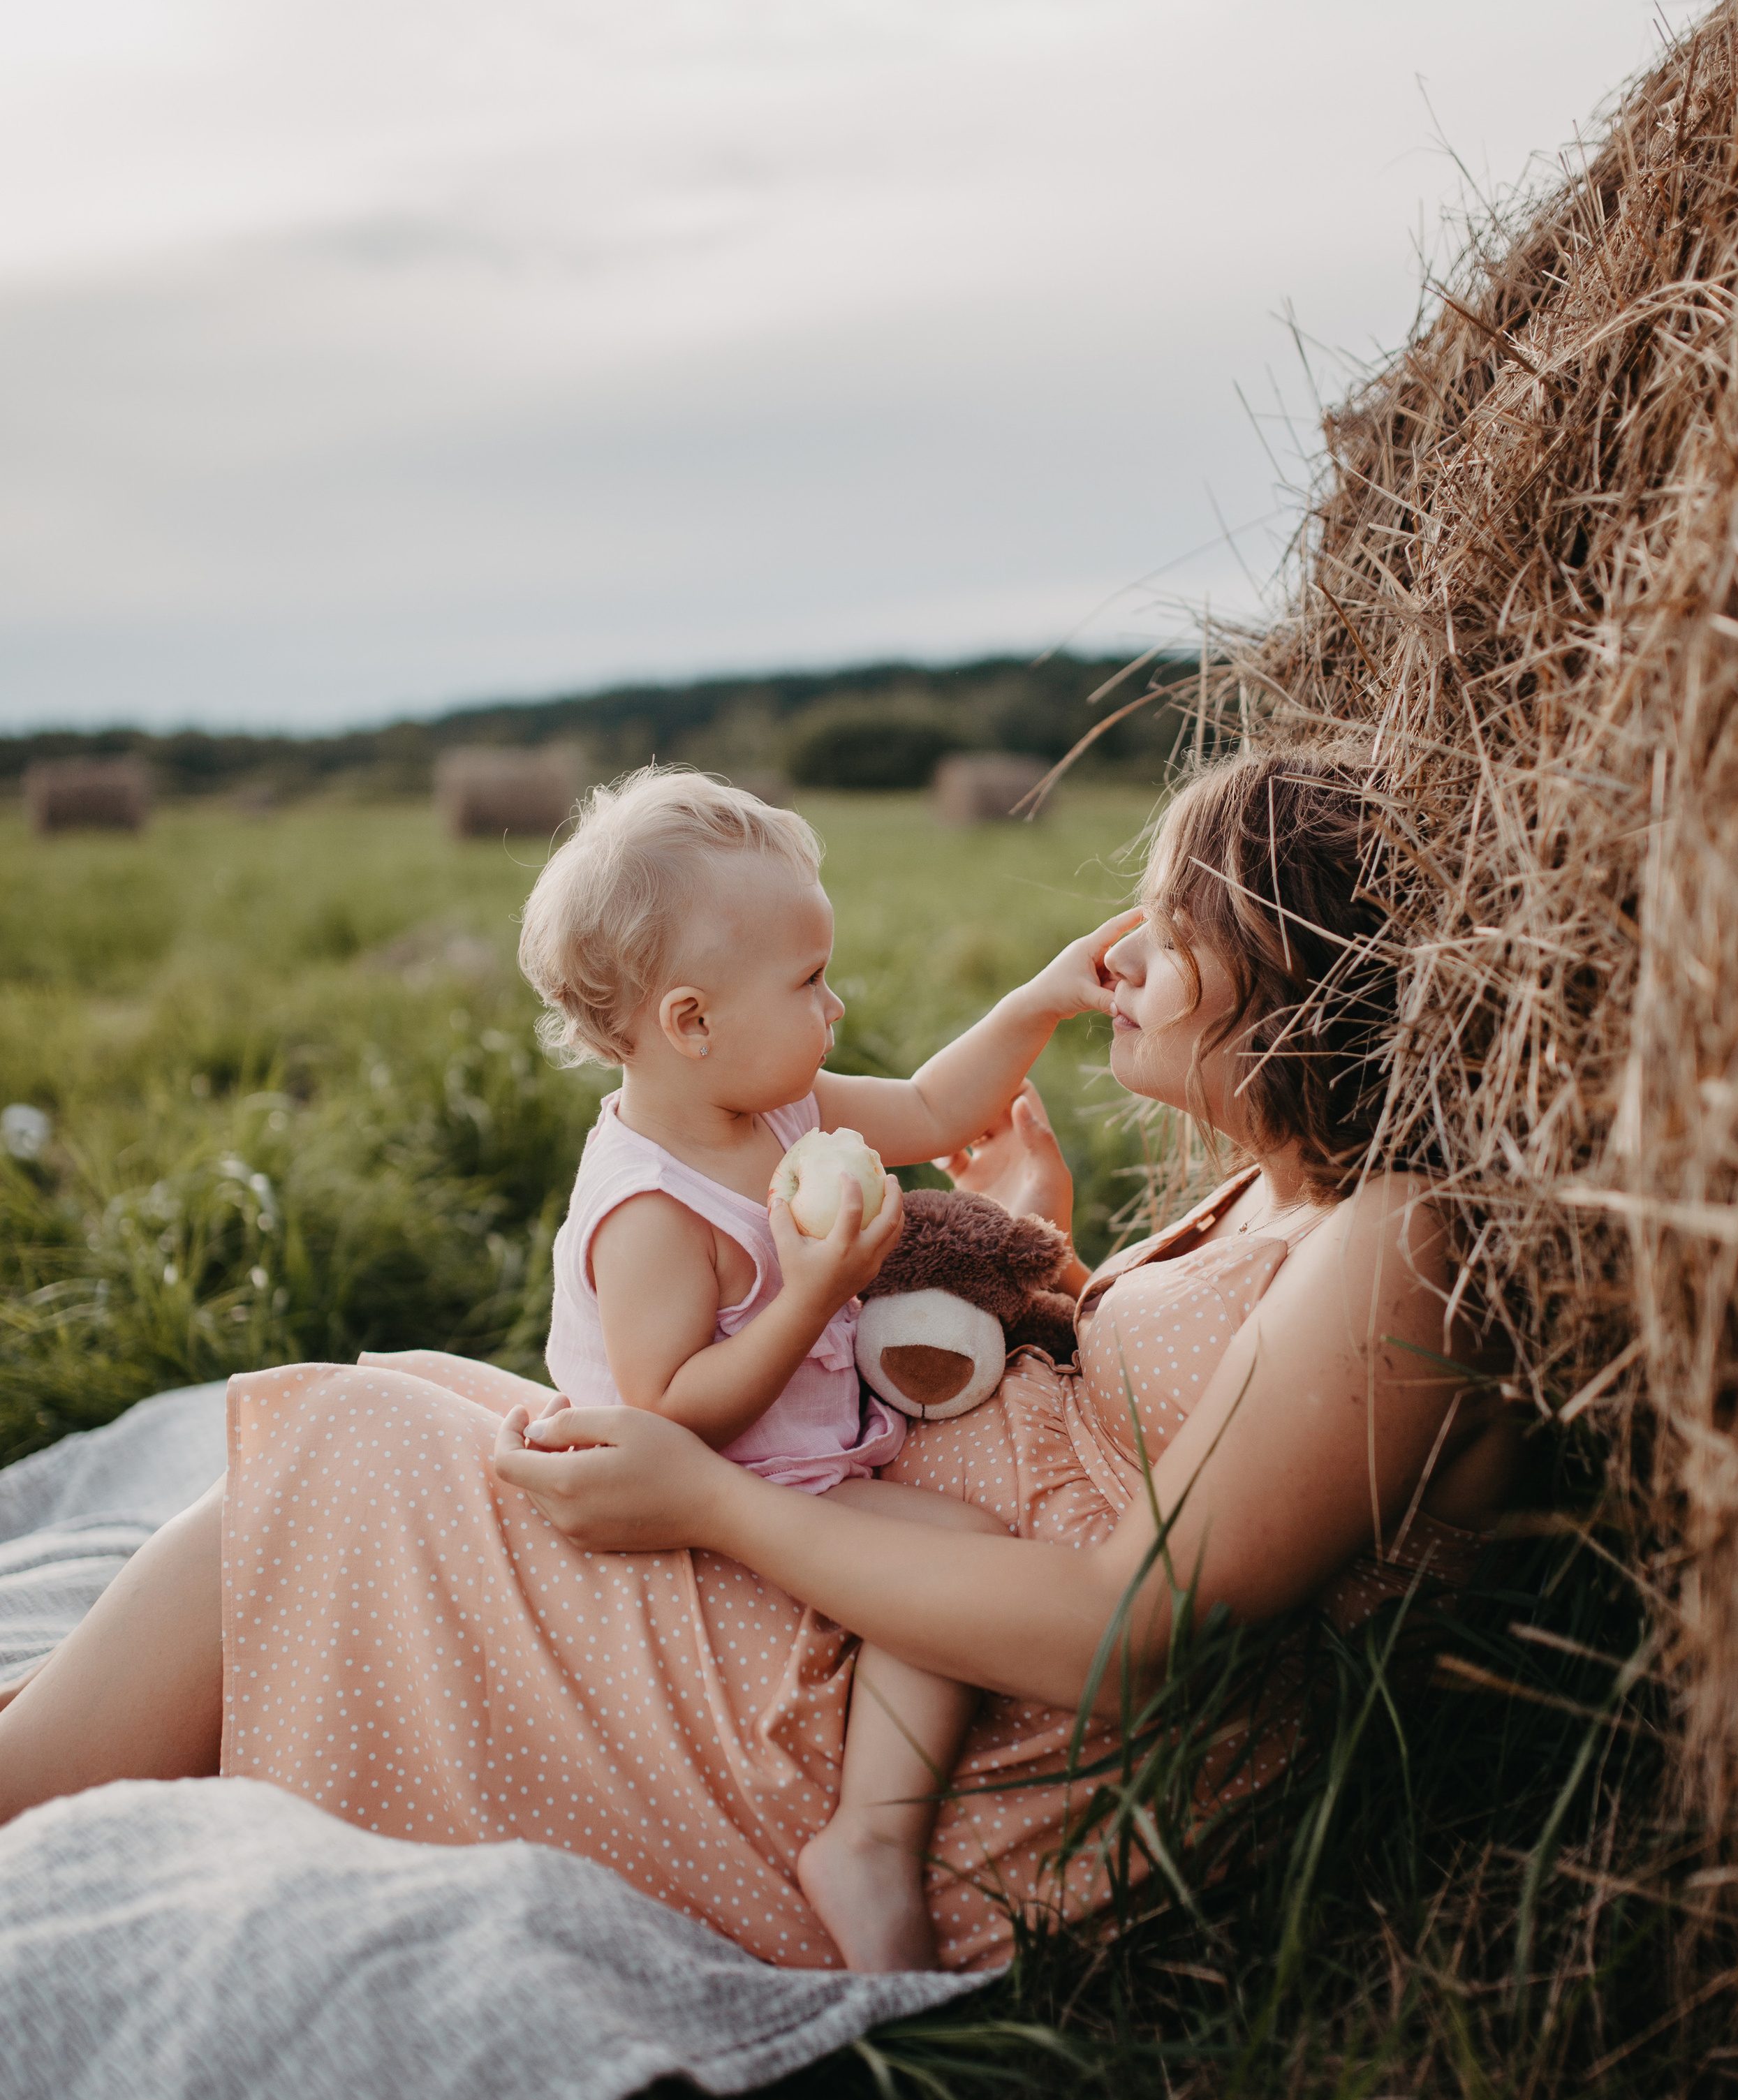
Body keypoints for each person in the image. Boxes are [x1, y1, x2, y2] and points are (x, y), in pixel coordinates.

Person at [0, 750, 1523, 1979]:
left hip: (989, 1734)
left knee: (363, 1457)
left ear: (1292, 971)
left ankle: (39, 1784)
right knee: (389, 1417)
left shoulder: (1401, 1241)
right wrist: (1035, 1248)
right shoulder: (1289, 1187)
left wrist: (714, 1510)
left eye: (1175, 929)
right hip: (874, 1575)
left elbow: (1143, 1633)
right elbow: (1149, 1418)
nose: (1122, 956)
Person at [512, 764, 1134, 1968]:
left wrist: (1036, 1004)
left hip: (793, 1457)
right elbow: (670, 1414)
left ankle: (873, 1833)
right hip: (700, 1491)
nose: (835, 1007)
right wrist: (816, 1296)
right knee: (958, 1557)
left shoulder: (780, 1110)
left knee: (955, 1544)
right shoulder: (650, 1210)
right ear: (692, 1022)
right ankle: (870, 1840)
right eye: (808, 983)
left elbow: (929, 1103)